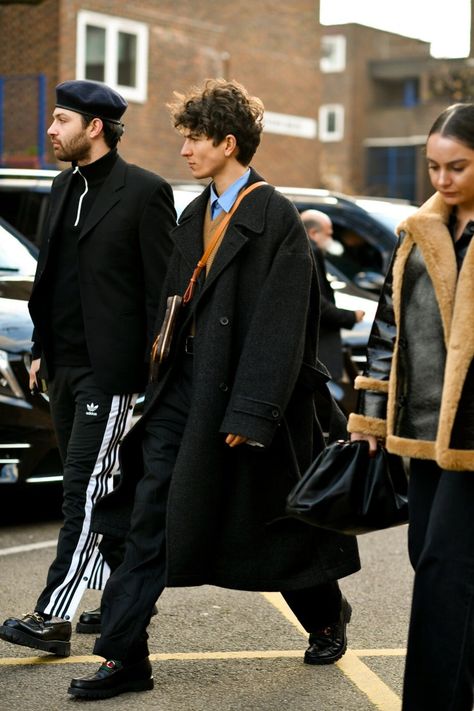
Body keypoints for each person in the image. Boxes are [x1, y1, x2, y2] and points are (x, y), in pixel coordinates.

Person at [67, 78, 360, 700]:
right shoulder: (194, 213)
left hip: (253, 400)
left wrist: (253, 412)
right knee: (144, 516)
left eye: (195, 140)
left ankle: (326, 613)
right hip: (183, 393)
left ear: (229, 143)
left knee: (274, 524)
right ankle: (124, 657)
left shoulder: (274, 215)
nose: (185, 151)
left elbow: (284, 328)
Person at [0, 79, 175, 657]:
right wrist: (41, 350)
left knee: (85, 490)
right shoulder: (61, 184)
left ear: (94, 127)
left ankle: (53, 618)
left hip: (113, 372)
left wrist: (153, 372)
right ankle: (126, 594)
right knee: (101, 490)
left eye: (61, 121)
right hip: (63, 367)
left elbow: (162, 292)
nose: (51, 131)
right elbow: (54, 276)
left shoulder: (144, 192)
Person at [348, 102, 474, 711]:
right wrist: (371, 419)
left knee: (447, 575)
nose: (444, 180)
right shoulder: (418, 231)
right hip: (419, 429)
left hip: (471, 435)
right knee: (432, 562)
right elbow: (388, 327)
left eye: (458, 167)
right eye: (433, 167)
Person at [301, 209, 365, 381]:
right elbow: (315, 301)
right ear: (314, 233)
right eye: (328, 234)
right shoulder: (309, 250)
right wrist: (350, 316)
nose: (331, 238)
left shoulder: (303, 249)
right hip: (319, 346)